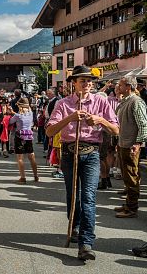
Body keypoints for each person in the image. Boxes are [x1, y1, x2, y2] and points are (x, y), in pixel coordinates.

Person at [46, 65, 119, 261]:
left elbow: (116, 130)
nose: (87, 84)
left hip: (92, 154)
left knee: (88, 197)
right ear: (74, 84)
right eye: (82, 80)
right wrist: (70, 118)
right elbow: (50, 132)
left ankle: (86, 242)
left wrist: (100, 121)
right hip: (70, 155)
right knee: (73, 195)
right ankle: (75, 225)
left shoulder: (101, 103)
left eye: (89, 80)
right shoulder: (63, 104)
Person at [113, 75, 147, 218]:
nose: (118, 88)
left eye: (120, 85)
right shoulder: (126, 101)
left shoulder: (136, 102)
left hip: (131, 145)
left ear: (128, 86)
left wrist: (138, 143)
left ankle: (132, 208)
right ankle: (128, 204)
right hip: (124, 143)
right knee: (127, 176)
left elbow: (143, 125)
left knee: (132, 176)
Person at [9, 98, 38, 183]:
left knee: (20, 158)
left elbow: (11, 121)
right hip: (28, 136)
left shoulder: (17, 115)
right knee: (31, 157)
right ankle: (36, 176)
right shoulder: (31, 114)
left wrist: (11, 113)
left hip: (19, 136)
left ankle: (23, 177)